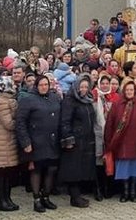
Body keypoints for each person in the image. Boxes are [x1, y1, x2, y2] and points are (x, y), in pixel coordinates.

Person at [16, 75, 61, 213]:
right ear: (36, 86)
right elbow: (20, 122)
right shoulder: (28, 99)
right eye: (41, 85)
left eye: (46, 84)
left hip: (53, 141)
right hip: (36, 141)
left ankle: (46, 196)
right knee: (37, 170)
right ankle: (36, 199)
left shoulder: (54, 97)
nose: (44, 87)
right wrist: (25, 142)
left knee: (51, 169)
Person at [103, 81, 136, 203]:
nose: (129, 92)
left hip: (135, 143)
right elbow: (109, 124)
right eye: (127, 90)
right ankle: (125, 192)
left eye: (131, 90)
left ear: (135, 91)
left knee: (135, 169)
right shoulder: (116, 104)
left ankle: (133, 192)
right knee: (123, 170)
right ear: (124, 91)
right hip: (120, 144)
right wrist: (108, 142)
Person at [58, 74, 97, 208]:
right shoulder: (70, 100)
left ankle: (78, 194)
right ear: (76, 86)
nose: (84, 89)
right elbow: (65, 121)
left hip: (86, 140)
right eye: (82, 86)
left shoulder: (88, 100)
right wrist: (68, 139)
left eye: (86, 86)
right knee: (73, 169)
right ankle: (74, 197)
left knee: (81, 168)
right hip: (75, 139)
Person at [0, 77, 20, 212]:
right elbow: (8, 124)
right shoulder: (2, 102)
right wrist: (19, 122)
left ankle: (7, 199)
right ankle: (1, 200)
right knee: (1, 173)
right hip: (2, 142)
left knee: (8, 173)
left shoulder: (8, 100)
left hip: (8, 141)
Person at [92, 74, 119, 201]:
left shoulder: (115, 97)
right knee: (98, 162)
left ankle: (108, 187)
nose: (104, 85)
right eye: (102, 83)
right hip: (97, 133)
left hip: (111, 134)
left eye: (107, 83)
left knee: (109, 160)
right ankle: (98, 189)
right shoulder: (93, 96)